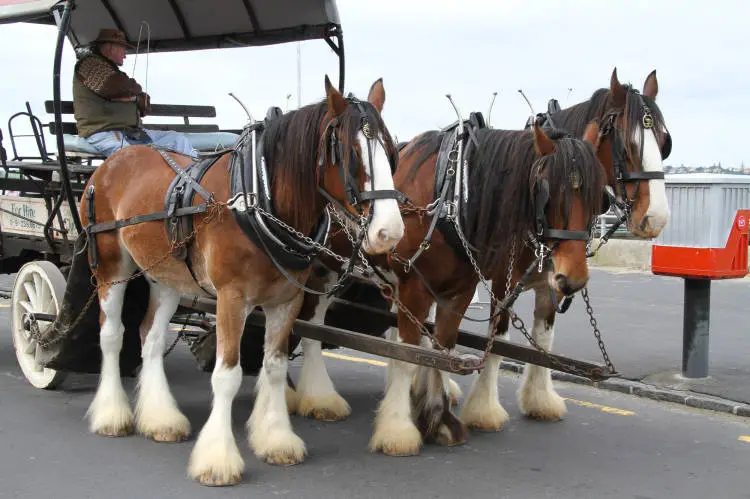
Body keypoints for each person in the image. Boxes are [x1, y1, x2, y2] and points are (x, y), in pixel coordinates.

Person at [72, 28, 195, 158]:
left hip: (131, 132)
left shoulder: (115, 73)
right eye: (123, 49)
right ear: (111, 48)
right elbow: (116, 88)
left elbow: (143, 102)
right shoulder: (89, 64)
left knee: (177, 140)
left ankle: (191, 176)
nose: (125, 55)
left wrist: (133, 97)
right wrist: (133, 94)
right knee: (131, 157)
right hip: (103, 132)